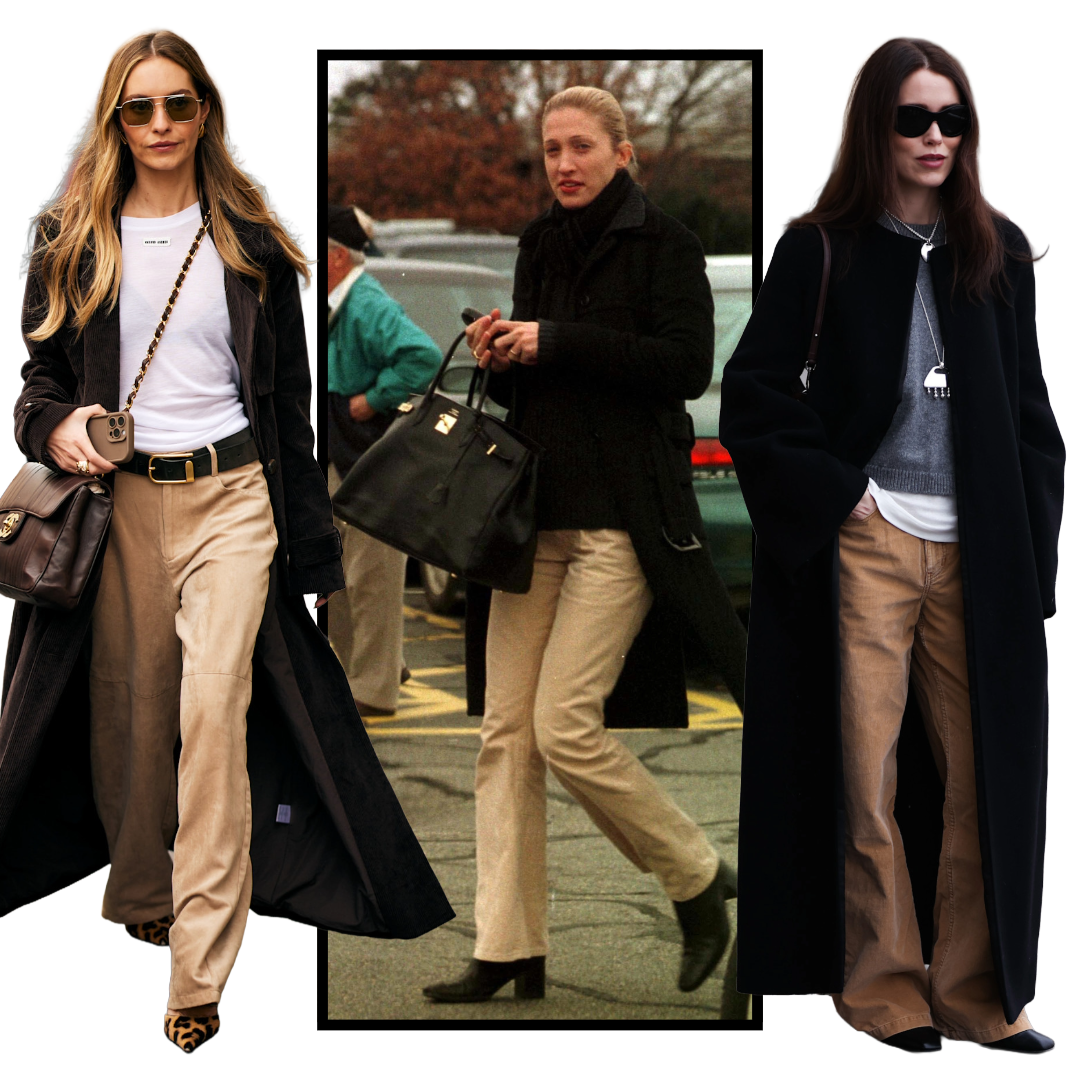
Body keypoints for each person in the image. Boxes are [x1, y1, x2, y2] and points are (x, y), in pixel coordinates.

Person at [0, 30, 452, 1053]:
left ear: (206, 112)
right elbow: (38, 389)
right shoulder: (70, 234)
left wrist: (316, 559)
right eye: (139, 108)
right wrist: (58, 429)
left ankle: (199, 966)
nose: (160, 125)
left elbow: (288, 408)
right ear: (117, 119)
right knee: (126, 716)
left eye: (178, 105)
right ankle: (143, 886)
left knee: (215, 711)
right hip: (119, 509)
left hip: (234, 498)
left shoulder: (248, 235)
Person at [719, 38, 1062, 1053]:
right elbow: (756, 397)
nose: (935, 138)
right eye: (915, 119)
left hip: (978, 558)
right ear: (878, 125)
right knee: (863, 773)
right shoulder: (820, 246)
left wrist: (1032, 561)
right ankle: (881, 983)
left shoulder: (996, 248)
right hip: (868, 546)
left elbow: (1033, 420)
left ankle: (972, 989)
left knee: (979, 775)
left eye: (952, 119)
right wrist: (842, 497)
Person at [422, 86, 747, 1005]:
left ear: (622, 152)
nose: (564, 163)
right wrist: (502, 351)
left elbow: (684, 367)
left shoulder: (668, 246)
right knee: (504, 737)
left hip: (623, 526)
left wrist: (556, 340)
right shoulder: (537, 243)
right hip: (533, 522)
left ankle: (695, 876)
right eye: (552, 149)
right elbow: (545, 377)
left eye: (581, 147)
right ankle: (508, 945)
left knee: (565, 725)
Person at [326, 204, 442, 715]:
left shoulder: (364, 301)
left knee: (369, 577)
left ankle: (373, 688)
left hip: (366, 451)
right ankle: (374, 672)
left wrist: (372, 398)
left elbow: (423, 357)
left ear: (335, 256)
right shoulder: (338, 300)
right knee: (347, 577)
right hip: (344, 450)